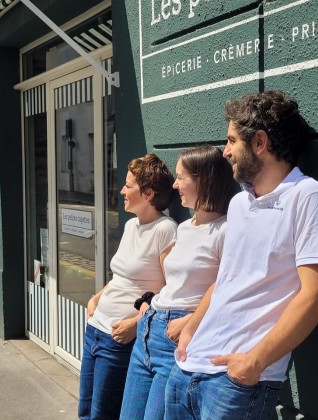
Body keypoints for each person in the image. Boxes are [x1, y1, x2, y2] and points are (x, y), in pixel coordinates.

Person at [165, 91, 318, 419]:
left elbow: (317, 296)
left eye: (232, 140)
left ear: (260, 142)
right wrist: (192, 328)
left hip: (237, 383)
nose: (226, 151)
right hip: (188, 366)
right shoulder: (239, 202)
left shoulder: (308, 198)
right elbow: (227, 278)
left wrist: (254, 362)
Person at [119, 145, 235, 420]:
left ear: (203, 180)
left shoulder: (226, 230)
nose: (174, 184)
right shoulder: (183, 228)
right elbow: (175, 281)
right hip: (150, 331)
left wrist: (191, 321)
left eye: (181, 177)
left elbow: (227, 289)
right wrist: (150, 305)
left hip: (178, 338)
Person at [78, 154, 177, 420]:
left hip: (118, 338)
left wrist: (135, 323)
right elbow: (122, 276)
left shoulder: (165, 230)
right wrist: (96, 298)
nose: (122, 190)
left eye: (128, 185)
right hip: (95, 328)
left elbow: (170, 291)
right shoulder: (132, 225)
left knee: (102, 414)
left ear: (148, 193)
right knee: (85, 411)